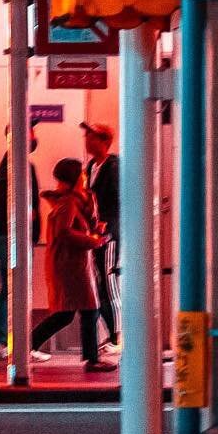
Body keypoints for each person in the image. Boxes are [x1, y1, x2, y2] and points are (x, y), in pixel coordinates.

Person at [29, 157, 115, 373]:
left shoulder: (75, 200)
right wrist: (93, 241)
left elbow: (78, 226)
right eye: (82, 173)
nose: (85, 176)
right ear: (76, 177)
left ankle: (28, 344)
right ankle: (91, 359)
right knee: (86, 310)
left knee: (72, 313)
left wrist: (95, 228)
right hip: (70, 266)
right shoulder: (68, 202)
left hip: (74, 264)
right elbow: (65, 232)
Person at [0, 126, 41, 355]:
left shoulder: (21, 163)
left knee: (13, 286)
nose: (34, 137)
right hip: (12, 233)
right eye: (29, 131)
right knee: (12, 286)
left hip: (15, 233)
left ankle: (10, 341)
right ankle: (4, 341)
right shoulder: (13, 164)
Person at [82, 120, 121, 354]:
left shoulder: (113, 166)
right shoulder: (90, 167)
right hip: (96, 231)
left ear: (105, 141)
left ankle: (116, 335)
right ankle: (108, 334)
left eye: (93, 137)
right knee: (99, 282)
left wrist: (105, 222)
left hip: (109, 233)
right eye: (87, 137)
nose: (88, 141)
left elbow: (117, 197)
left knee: (108, 281)